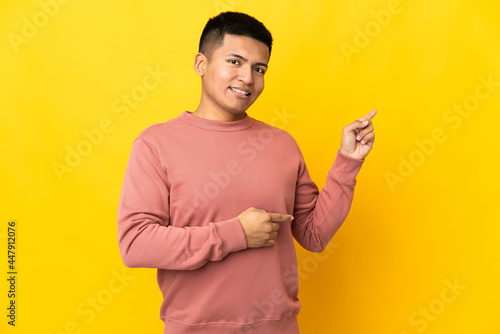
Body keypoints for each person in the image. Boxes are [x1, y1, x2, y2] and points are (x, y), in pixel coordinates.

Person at [117, 11, 376, 334]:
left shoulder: (281, 144)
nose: (247, 78)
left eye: (259, 68)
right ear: (201, 64)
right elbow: (136, 243)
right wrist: (235, 234)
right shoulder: (156, 144)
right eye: (235, 62)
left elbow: (313, 234)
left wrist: (348, 162)